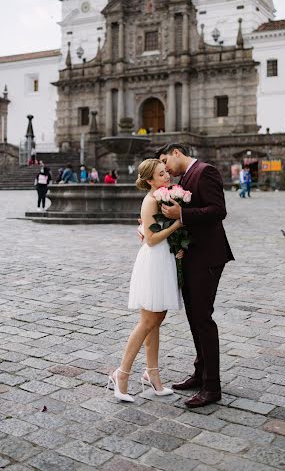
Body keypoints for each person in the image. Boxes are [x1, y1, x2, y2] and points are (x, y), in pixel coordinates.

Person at [156, 143, 234, 408]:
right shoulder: (187, 177)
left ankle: (212, 387)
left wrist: (183, 214)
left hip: (208, 257)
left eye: (165, 160)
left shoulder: (205, 171)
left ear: (177, 152)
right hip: (192, 256)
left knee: (203, 319)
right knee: (194, 317)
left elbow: (218, 210)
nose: (165, 168)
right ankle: (200, 374)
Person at [108, 159, 183, 402]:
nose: (166, 176)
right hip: (154, 261)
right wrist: (178, 225)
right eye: (161, 174)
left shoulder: (164, 196)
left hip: (164, 259)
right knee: (148, 321)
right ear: (150, 180)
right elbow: (151, 239)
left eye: (166, 172)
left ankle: (152, 375)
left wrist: (178, 243)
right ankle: (121, 374)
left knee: (156, 319)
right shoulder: (151, 200)